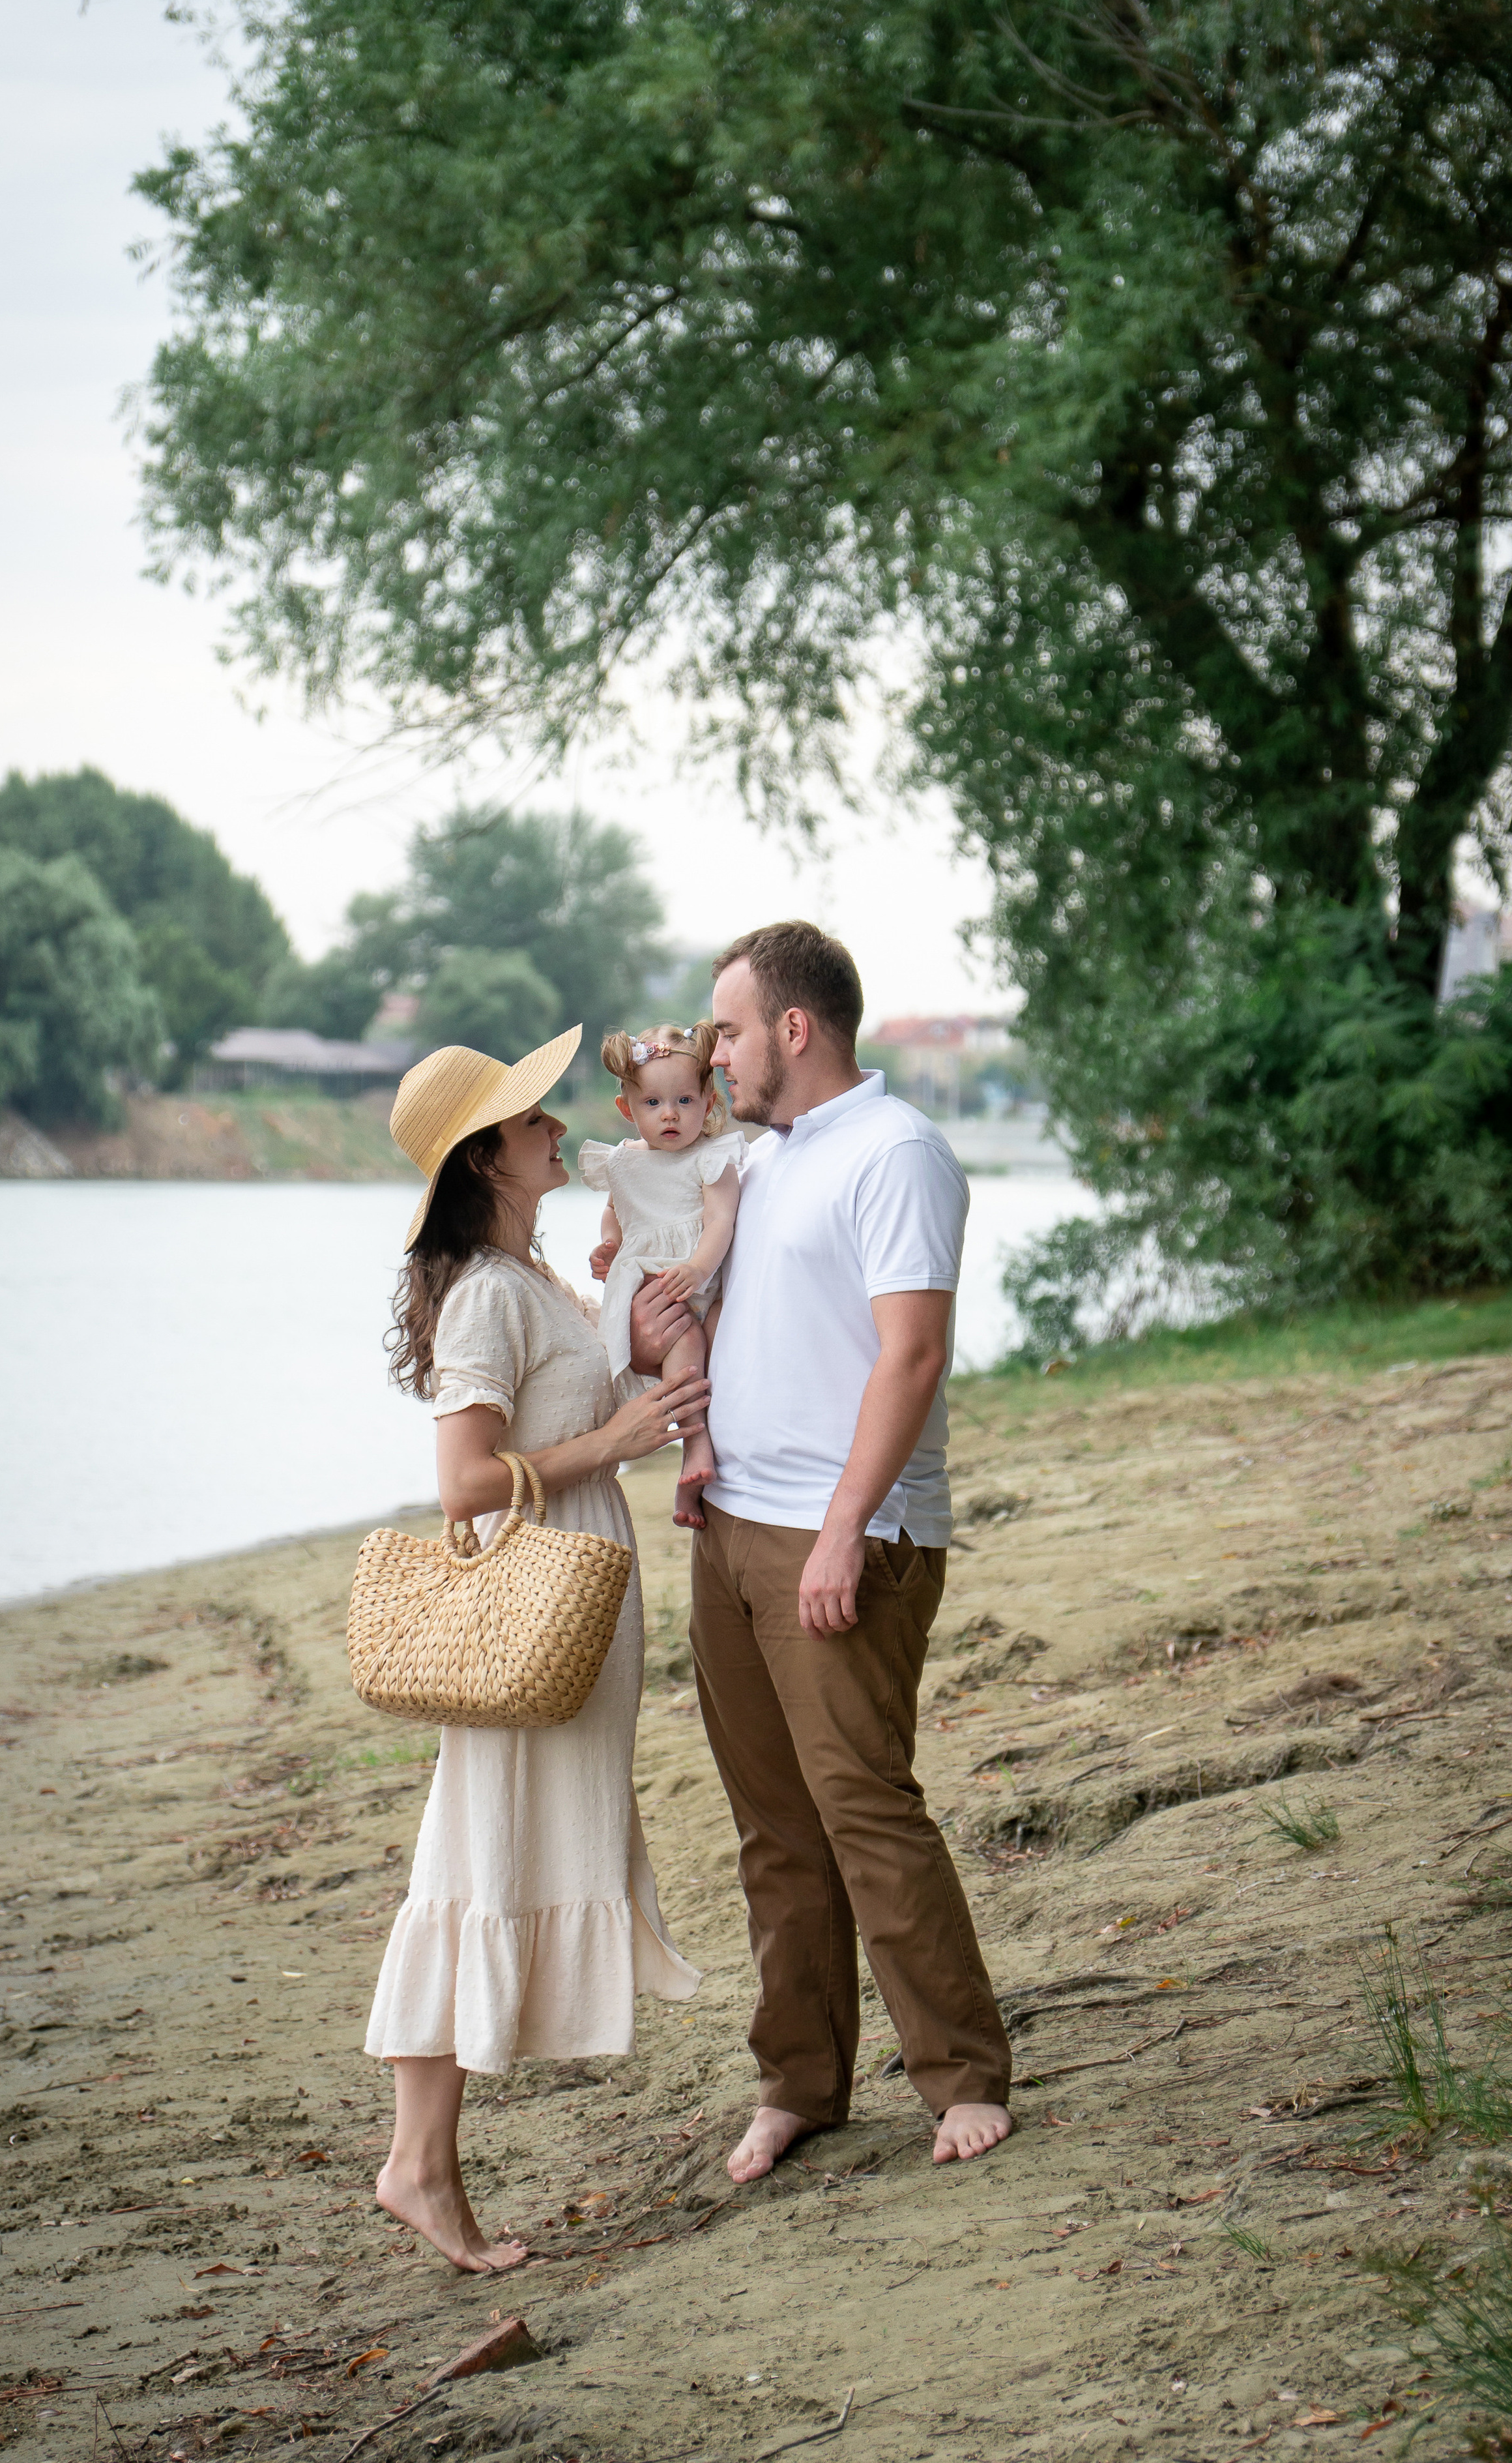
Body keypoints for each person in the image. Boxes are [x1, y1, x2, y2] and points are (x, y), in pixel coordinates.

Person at [631, 922, 1012, 2177]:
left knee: (863, 1809)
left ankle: (963, 2074)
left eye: (729, 1030)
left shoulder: (895, 1151)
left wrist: (844, 1528)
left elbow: (914, 1353)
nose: (713, 1054)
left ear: (795, 1028)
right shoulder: (765, 1158)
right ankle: (801, 2079)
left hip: (838, 1533)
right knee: (776, 1829)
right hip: (730, 1526)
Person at [365, 1026, 706, 2272]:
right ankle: (417, 2164)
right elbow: (463, 1481)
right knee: (473, 1857)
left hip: (575, 1595)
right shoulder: (488, 1295)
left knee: (488, 1854)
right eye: (532, 1118)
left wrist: (630, 1327)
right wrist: (616, 1439)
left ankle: (423, 2160)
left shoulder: (537, 1276)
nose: (560, 1125)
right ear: (485, 1159)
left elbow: (585, 1398)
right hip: (530, 1602)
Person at [581, 1022, 745, 1529]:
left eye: (684, 1100)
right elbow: (615, 1213)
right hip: (650, 1282)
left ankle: (707, 1450)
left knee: (716, 1339)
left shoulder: (712, 1157)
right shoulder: (622, 1162)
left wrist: (697, 1266)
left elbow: (720, 1222)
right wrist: (610, 1247)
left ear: (708, 1101)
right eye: (652, 1103)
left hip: (695, 1277)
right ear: (627, 1109)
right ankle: (692, 1444)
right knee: (686, 1343)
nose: (669, 1113)